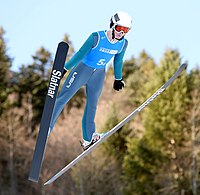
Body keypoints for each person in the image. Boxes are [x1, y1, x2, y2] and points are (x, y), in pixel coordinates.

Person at [49, 11, 132, 150]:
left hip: (99, 74)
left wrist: (118, 79)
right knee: (63, 98)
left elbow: (118, 61)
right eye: (119, 28)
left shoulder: (123, 44)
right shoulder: (96, 37)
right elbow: (80, 54)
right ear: (112, 25)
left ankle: (89, 138)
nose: (121, 33)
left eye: (126, 30)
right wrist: (65, 68)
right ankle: (48, 128)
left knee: (92, 104)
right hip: (82, 70)